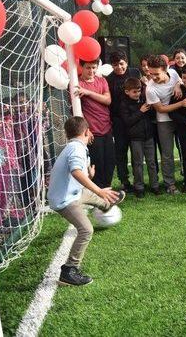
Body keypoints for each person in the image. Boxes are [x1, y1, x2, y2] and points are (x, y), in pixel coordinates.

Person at [48, 116, 123, 286]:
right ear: (87, 131)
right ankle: (69, 271)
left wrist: (90, 175)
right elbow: (75, 172)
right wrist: (99, 189)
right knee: (86, 230)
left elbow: (76, 174)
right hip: (64, 200)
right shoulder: (76, 148)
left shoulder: (74, 146)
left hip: (72, 192)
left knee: (89, 194)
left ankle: (107, 203)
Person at [145, 55, 186, 195]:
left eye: (156, 73)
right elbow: (161, 109)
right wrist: (181, 103)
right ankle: (170, 184)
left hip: (180, 118)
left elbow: (180, 81)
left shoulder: (174, 73)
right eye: (150, 73)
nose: (153, 77)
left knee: (184, 150)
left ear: (166, 69)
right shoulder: (150, 89)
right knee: (167, 154)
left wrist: (177, 85)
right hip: (164, 122)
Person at [105, 51, 141, 192]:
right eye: (115, 65)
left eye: (121, 64)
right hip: (119, 120)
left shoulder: (135, 73)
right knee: (121, 151)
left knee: (138, 151)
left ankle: (141, 181)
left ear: (126, 62)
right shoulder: (109, 79)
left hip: (137, 117)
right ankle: (124, 181)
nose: (119, 67)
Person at [77, 58, 115, 189]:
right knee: (97, 162)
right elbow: (78, 111)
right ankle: (98, 190)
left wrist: (88, 92)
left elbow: (108, 100)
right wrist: (86, 130)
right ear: (81, 67)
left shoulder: (102, 80)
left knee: (110, 161)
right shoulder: (76, 83)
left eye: (94, 67)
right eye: (88, 67)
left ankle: (108, 188)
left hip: (106, 127)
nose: (91, 71)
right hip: (92, 130)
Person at [119, 77, 158, 198]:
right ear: (127, 92)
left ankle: (154, 185)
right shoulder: (124, 104)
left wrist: (150, 109)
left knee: (152, 162)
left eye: (139, 91)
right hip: (136, 139)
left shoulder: (144, 100)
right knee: (138, 163)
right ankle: (139, 187)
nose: (137, 94)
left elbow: (151, 116)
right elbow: (127, 121)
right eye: (134, 92)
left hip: (149, 137)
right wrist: (140, 111)